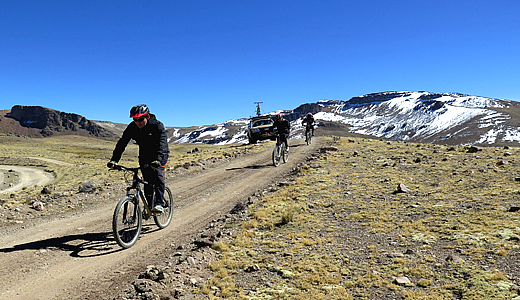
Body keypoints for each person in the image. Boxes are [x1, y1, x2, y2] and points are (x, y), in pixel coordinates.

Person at [107, 104, 169, 213]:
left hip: (160, 154)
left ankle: (159, 203)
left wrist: (158, 159)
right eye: (135, 120)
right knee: (147, 180)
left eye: (141, 119)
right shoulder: (132, 127)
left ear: (147, 116)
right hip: (145, 154)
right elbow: (122, 143)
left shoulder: (157, 126)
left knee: (158, 175)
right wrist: (114, 160)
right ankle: (149, 206)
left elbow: (162, 144)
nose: (138, 122)